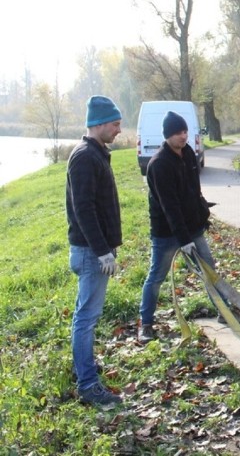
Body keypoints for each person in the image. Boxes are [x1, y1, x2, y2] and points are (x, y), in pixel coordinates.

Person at [137, 111, 240, 344]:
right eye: (178, 133)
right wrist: (183, 239)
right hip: (167, 232)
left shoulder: (188, 154)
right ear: (167, 135)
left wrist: (202, 212)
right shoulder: (158, 164)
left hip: (192, 228)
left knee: (210, 271)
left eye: (185, 131)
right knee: (156, 276)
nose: (183, 136)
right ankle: (145, 323)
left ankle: (224, 312)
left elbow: (193, 191)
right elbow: (170, 207)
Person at [66, 95, 124, 406]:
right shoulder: (85, 157)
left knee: (85, 315)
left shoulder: (96, 153)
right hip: (90, 253)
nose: (119, 129)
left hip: (95, 251)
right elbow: (84, 209)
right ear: (99, 124)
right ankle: (88, 385)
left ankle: (84, 365)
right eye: (115, 124)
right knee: (86, 318)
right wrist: (103, 252)